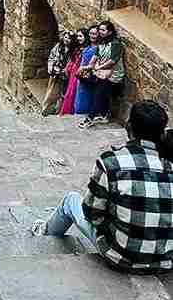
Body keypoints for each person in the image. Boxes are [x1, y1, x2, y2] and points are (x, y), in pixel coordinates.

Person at [32, 100, 173, 274]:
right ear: (162, 135)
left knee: (70, 201)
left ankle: (45, 232)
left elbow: (91, 213)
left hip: (121, 257)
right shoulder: (169, 166)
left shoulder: (111, 162)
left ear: (128, 128)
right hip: (165, 261)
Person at [80, 20, 125, 127]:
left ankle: (90, 118)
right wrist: (88, 67)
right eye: (100, 29)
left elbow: (113, 61)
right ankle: (104, 115)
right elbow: (95, 57)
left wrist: (98, 67)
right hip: (101, 72)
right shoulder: (101, 43)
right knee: (102, 93)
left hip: (113, 74)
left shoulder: (115, 44)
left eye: (103, 30)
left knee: (99, 94)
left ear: (110, 32)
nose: (100, 32)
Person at [41, 30, 70, 115]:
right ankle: (46, 109)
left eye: (69, 38)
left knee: (61, 93)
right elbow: (51, 57)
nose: (67, 39)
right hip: (55, 73)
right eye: (65, 37)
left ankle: (58, 109)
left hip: (64, 75)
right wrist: (52, 68)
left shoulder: (72, 50)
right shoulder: (58, 47)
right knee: (51, 91)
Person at [73, 27, 99, 116]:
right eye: (91, 33)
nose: (92, 36)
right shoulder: (89, 46)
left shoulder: (97, 48)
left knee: (85, 96)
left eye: (94, 34)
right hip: (81, 75)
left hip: (88, 75)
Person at [59, 28, 85, 115]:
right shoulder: (78, 48)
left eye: (81, 36)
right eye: (78, 36)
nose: (78, 38)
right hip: (73, 72)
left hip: (77, 73)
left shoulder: (84, 49)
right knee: (69, 92)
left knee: (73, 93)